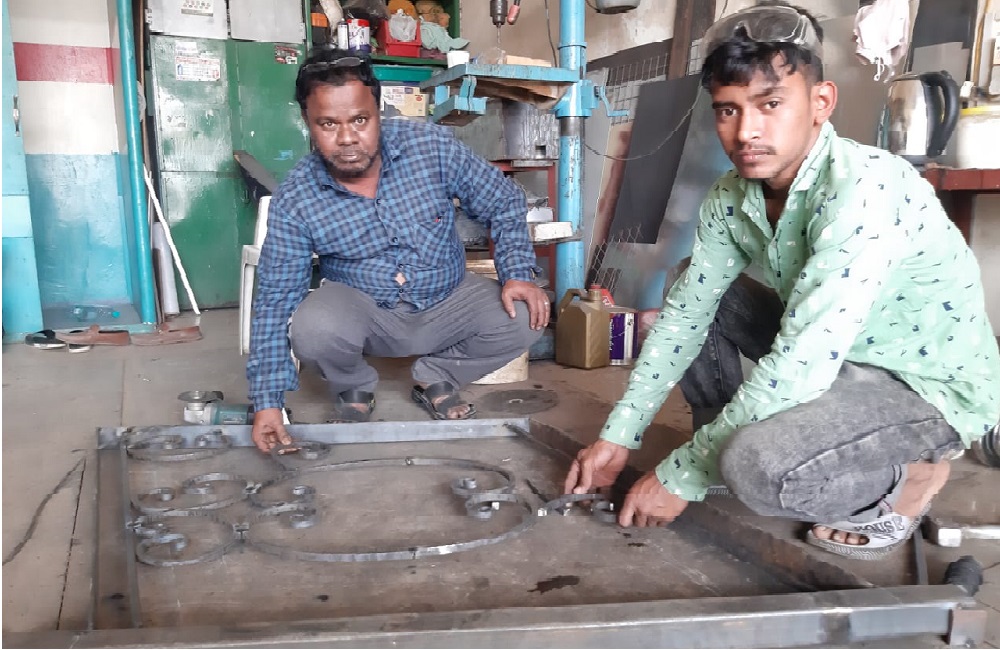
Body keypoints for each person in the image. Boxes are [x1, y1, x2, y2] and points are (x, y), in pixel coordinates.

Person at [564, 2, 1000, 559]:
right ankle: (720, 446)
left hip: (920, 382)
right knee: (689, 286)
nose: (746, 131)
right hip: (838, 354)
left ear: (821, 103)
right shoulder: (731, 195)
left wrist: (679, 475)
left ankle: (906, 479)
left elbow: (801, 362)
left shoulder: (862, 189)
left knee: (758, 466)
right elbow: (686, 318)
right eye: (728, 110)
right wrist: (618, 434)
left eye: (770, 104)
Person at [247, 47, 547, 453]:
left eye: (360, 120)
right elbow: (275, 299)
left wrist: (517, 273)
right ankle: (354, 387)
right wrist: (266, 402)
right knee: (312, 329)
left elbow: (503, 200)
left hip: (447, 301)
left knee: (527, 314)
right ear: (307, 122)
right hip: (366, 312)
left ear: (378, 111)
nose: (347, 138)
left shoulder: (431, 147)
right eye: (328, 124)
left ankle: (436, 374)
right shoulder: (297, 198)